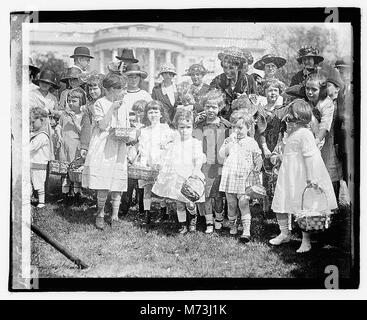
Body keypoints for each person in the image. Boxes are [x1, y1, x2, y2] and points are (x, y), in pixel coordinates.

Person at [269, 99, 337, 253]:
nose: (289, 120)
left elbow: (310, 157)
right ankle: (284, 233)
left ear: (301, 118)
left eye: (292, 118)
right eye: (289, 118)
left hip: (300, 175)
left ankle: (306, 241)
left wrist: (311, 177)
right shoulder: (290, 134)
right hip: (287, 174)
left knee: (303, 207)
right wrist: (279, 158)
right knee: (281, 203)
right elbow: (291, 154)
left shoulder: (305, 133)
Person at [82, 72, 130, 230]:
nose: (123, 91)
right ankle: (100, 213)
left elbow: (126, 125)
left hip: (118, 146)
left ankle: (115, 216)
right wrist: (112, 108)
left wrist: (130, 135)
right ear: (110, 90)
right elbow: (102, 126)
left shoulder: (124, 104)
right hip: (103, 146)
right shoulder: (100, 103)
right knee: (103, 182)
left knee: (117, 182)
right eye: (120, 89)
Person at [152, 109, 206, 234]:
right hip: (176, 176)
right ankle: (182, 224)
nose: (184, 130)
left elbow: (199, 159)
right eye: (181, 127)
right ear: (177, 127)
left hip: (189, 175)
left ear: (192, 127)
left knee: (190, 202)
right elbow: (166, 155)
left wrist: (196, 170)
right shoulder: (174, 142)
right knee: (179, 202)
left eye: (188, 127)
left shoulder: (195, 143)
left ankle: (193, 218)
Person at [218, 109, 263, 243]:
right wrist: (229, 145)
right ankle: (233, 226)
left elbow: (258, 157)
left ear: (248, 128)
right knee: (231, 204)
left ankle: (246, 231)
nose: (236, 130)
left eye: (240, 127)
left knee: (243, 203)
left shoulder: (251, 142)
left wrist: (258, 167)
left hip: (244, 178)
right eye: (234, 127)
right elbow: (221, 154)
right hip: (230, 177)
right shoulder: (228, 140)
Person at [193, 89, 231, 233]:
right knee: (207, 195)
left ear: (220, 107)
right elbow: (195, 145)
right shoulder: (199, 126)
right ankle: (209, 222)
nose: (210, 110)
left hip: (221, 164)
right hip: (206, 165)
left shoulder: (225, 125)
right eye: (208, 106)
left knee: (219, 195)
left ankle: (219, 219)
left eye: (214, 107)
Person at [137, 100, 174, 228]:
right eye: (150, 112)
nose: (153, 114)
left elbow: (170, 146)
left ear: (161, 114)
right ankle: (147, 214)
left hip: (161, 162)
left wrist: (163, 161)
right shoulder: (144, 131)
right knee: (147, 188)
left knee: (161, 188)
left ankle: (163, 211)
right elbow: (142, 149)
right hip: (148, 162)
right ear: (147, 115)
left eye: (155, 111)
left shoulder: (166, 129)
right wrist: (144, 164)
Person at [210, 46, 257, 120]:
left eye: (231, 68)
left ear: (239, 67)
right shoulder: (217, 80)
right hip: (222, 121)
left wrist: (245, 101)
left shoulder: (249, 80)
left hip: (242, 121)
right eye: (225, 67)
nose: (227, 71)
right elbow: (211, 102)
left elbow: (255, 104)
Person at [58, 88, 87, 201]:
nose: (70, 103)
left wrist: (75, 121)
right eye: (69, 100)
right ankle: (65, 194)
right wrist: (59, 135)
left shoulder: (83, 116)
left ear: (81, 102)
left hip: (76, 146)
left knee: (75, 170)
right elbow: (59, 126)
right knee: (64, 169)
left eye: (73, 101)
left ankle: (76, 194)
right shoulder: (65, 114)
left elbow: (83, 132)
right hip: (65, 144)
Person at [120, 99, 147, 216]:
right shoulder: (130, 125)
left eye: (141, 112)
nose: (138, 114)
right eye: (136, 112)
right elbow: (128, 139)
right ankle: (125, 206)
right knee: (128, 184)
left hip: (141, 155)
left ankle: (142, 208)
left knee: (141, 185)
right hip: (130, 153)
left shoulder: (147, 127)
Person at [29, 69, 60, 158]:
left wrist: (54, 116)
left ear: (51, 85)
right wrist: (46, 111)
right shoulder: (32, 94)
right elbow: (31, 110)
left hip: (50, 127)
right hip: (35, 126)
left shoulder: (53, 98)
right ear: (39, 82)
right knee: (35, 151)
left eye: (47, 83)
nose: (44, 84)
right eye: (42, 82)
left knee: (48, 152)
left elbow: (56, 112)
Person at [323, 69, 344, 197]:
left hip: (336, 140)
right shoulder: (325, 102)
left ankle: (336, 202)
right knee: (327, 170)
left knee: (335, 171)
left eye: (329, 85)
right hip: (326, 140)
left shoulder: (339, 103)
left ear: (337, 88)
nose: (326, 88)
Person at [305, 73, 335, 150]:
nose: (309, 92)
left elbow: (325, 125)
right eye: (307, 88)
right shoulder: (304, 100)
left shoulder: (326, 103)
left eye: (314, 89)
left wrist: (315, 142)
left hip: (319, 140)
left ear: (322, 90)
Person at [29, 107, 52, 208]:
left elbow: (32, 147)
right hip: (32, 163)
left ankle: (41, 201)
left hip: (39, 163)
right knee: (29, 181)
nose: (31, 125)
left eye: (33, 122)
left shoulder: (42, 136)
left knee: (38, 183)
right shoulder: (36, 134)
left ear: (41, 121)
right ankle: (28, 198)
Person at [80, 73, 105, 158]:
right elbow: (86, 127)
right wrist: (84, 146)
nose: (92, 92)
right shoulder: (89, 107)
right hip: (94, 138)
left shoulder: (108, 103)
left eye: (95, 89)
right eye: (90, 89)